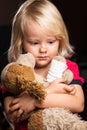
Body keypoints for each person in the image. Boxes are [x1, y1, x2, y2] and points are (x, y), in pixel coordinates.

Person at [2, 0, 85, 129]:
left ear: (60, 39)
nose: (43, 49)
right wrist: (52, 90)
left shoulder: (67, 67)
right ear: (21, 42)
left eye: (50, 42)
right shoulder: (16, 73)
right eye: (35, 43)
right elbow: (13, 115)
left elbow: (78, 103)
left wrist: (34, 101)